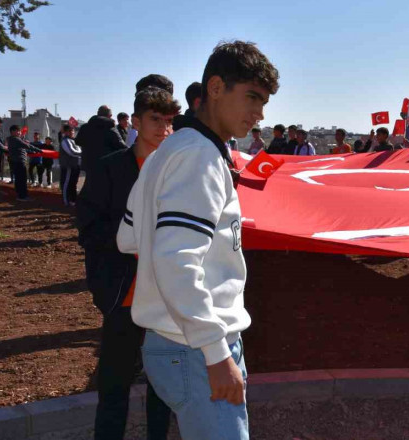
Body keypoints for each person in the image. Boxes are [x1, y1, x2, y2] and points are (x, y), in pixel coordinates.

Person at [117, 40, 278, 440]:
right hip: (195, 348)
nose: (259, 114)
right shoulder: (200, 156)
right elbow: (175, 258)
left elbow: (127, 237)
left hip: (172, 342)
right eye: (252, 97)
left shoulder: (168, 149)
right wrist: (215, 350)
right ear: (217, 88)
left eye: (265, 103)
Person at [77, 86, 180, 440]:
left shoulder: (176, 172)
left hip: (165, 299)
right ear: (135, 121)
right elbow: (89, 229)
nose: (163, 129)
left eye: (169, 122)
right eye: (155, 119)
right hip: (123, 296)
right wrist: (132, 244)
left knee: (162, 389)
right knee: (113, 388)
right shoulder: (110, 169)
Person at [76, 105, 128, 172]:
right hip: (105, 165)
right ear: (110, 116)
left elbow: (78, 141)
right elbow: (121, 146)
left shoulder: (84, 127)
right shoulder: (110, 127)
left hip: (88, 164)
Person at [6, 125, 42, 201]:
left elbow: (21, 147)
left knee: (18, 179)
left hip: (16, 161)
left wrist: (33, 151)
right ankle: (23, 196)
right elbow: (27, 145)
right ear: (12, 132)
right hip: (19, 161)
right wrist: (39, 150)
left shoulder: (11, 139)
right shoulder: (15, 139)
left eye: (19, 131)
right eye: (18, 131)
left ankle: (19, 194)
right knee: (22, 179)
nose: (19, 132)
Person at [59, 124, 82, 205]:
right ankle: (66, 201)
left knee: (73, 183)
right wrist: (83, 153)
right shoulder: (65, 140)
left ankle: (73, 200)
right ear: (65, 132)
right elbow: (72, 152)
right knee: (67, 184)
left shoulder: (74, 140)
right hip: (68, 166)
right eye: (70, 131)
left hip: (75, 166)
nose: (72, 132)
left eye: (73, 130)